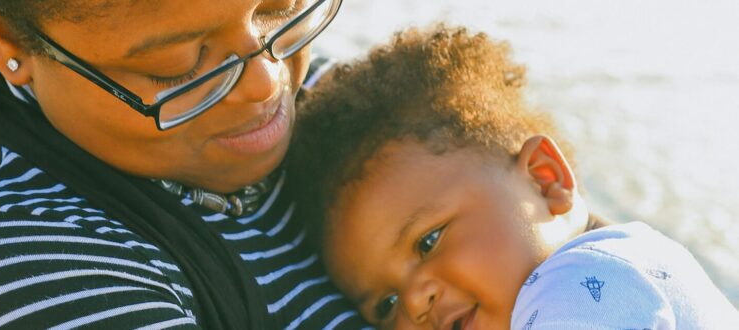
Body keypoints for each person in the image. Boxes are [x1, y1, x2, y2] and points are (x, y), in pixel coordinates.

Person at [0, 0, 368, 328]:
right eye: (175, 64)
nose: (266, 82)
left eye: (277, 9)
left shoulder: (357, 107)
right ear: (5, 40)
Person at [289, 25, 739, 329]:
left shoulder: (585, 284)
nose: (414, 300)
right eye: (384, 307)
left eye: (429, 241)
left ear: (545, 180)